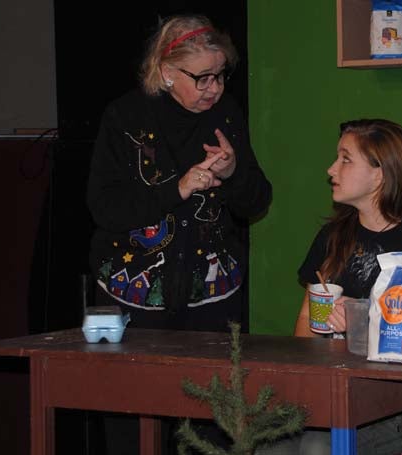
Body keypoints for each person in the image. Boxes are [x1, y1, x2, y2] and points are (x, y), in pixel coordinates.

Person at [86, 14, 272, 453]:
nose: (214, 88)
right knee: (133, 419)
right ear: (167, 72)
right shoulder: (125, 116)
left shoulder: (226, 115)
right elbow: (104, 207)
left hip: (210, 297)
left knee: (209, 422)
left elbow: (257, 201)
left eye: (221, 75)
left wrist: (232, 174)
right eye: (202, 77)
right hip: (138, 296)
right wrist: (179, 189)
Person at [291, 119, 402, 454]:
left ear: (379, 175)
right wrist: (322, 328)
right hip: (331, 393)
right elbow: (304, 332)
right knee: (267, 443)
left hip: (393, 406)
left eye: (345, 159)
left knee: (316, 449)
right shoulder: (331, 238)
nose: (331, 169)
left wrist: (363, 323)